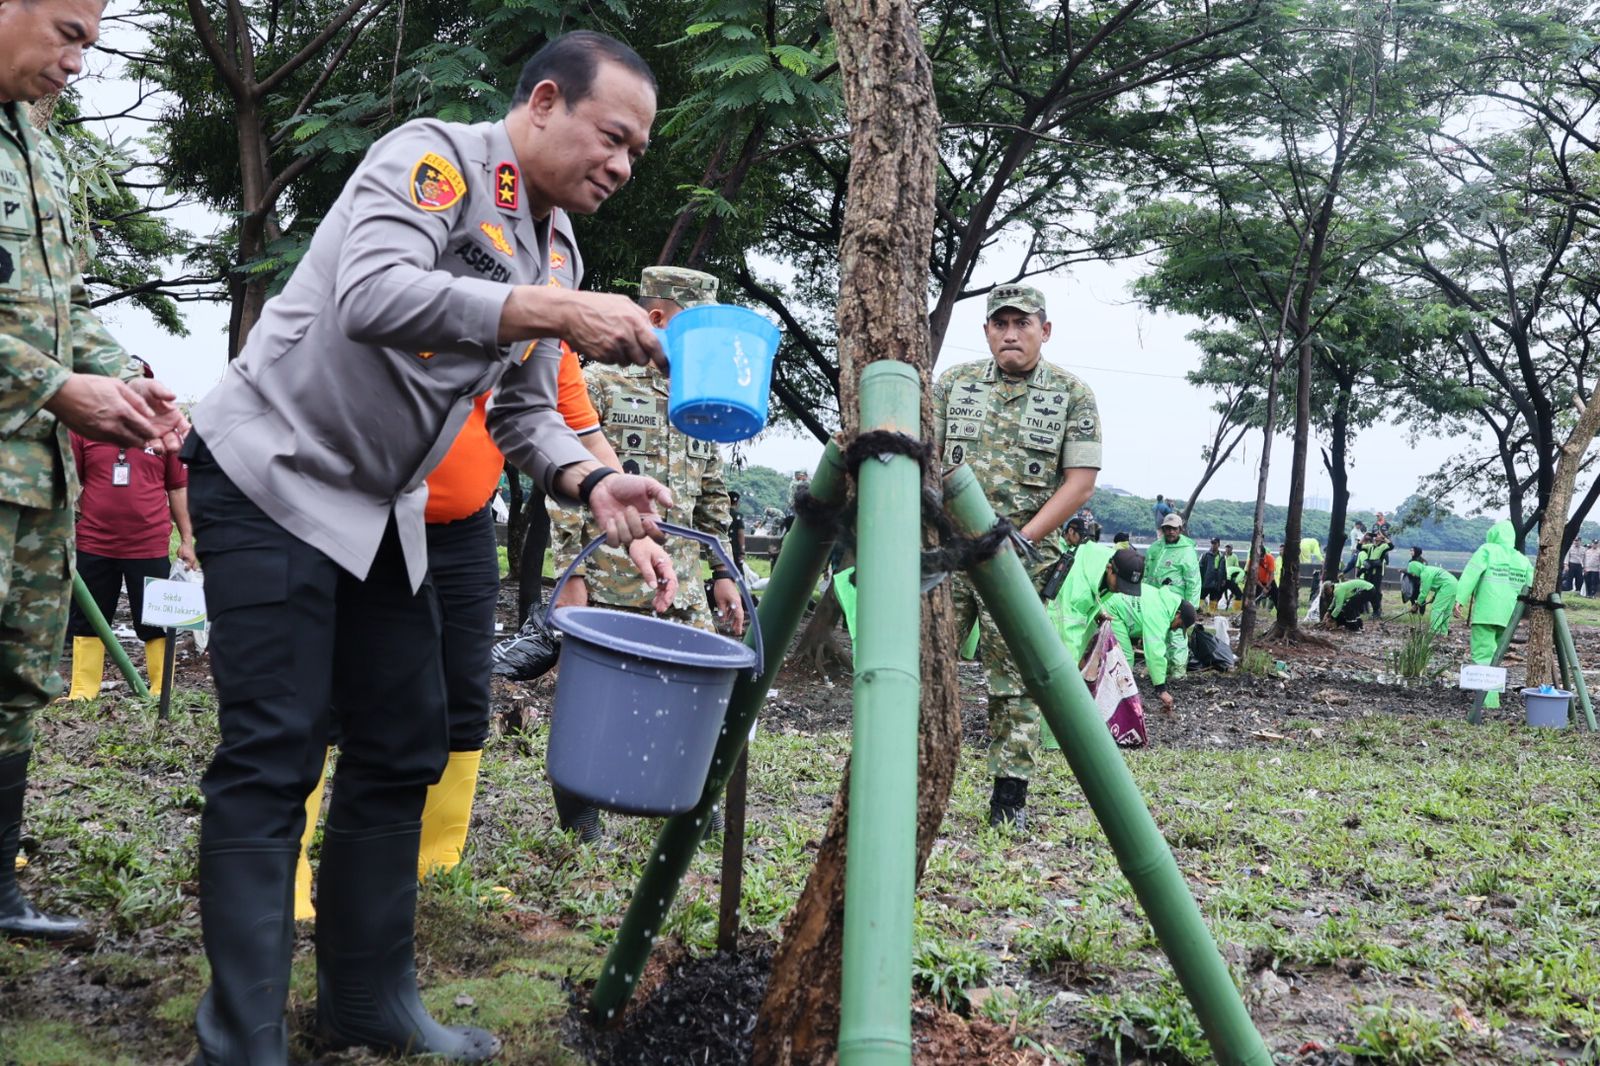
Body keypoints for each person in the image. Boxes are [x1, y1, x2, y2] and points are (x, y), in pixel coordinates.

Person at [181, 32, 684, 1064]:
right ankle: (239, 1043)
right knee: (275, 748)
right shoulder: (435, 161)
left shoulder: (557, 251)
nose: (623, 166)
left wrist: (592, 481)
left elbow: (524, 412)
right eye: (613, 138)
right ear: (544, 102)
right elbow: (372, 294)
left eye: (636, 152)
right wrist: (552, 310)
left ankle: (368, 1000)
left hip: (378, 509)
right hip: (268, 473)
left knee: (407, 739)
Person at [292, 233, 628, 921]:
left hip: (463, 528)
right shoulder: (423, 268)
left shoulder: (549, 316)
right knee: (320, 695)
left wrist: (633, 511)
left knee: (462, 691)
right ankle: (288, 865)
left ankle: (437, 862)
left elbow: (575, 423)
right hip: (359, 511)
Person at [1, 1, 189, 941]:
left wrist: (126, 379)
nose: (81, 61)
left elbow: (65, 305)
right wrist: (52, 387)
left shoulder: (40, 144)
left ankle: (0, 888)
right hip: (25, 431)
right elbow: (45, 358)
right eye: (70, 33)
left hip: (31, 481)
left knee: (13, 682)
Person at [545, 266, 745, 841]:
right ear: (657, 320)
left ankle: (684, 808)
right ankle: (580, 811)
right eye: (695, 326)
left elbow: (712, 492)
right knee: (594, 699)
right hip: (608, 572)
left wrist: (723, 574)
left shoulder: (700, 395)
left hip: (678, 576)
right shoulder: (598, 383)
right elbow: (566, 484)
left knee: (691, 695)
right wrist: (572, 574)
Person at [935, 283, 1099, 832]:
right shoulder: (952, 385)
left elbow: (1079, 483)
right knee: (925, 667)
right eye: (999, 324)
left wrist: (1019, 537)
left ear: (1044, 331)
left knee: (1014, 682)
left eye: (1022, 324)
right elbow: (923, 462)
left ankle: (1009, 802)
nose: (1010, 334)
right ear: (986, 331)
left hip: (1022, 561)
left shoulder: (1073, 394)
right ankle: (912, 778)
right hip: (949, 555)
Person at [64, 406, 195, 700]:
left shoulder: (164, 432)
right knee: (88, 615)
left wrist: (187, 539)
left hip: (148, 544)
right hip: (94, 542)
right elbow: (69, 482)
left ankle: (162, 688)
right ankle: (84, 690)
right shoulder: (85, 426)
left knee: (157, 619)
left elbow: (177, 488)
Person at [1099, 548, 1192, 712]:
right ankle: (1117, 697)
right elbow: (1155, 652)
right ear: (1178, 614)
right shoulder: (1161, 613)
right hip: (1112, 609)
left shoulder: (1163, 601)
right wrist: (1161, 689)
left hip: (1115, 607)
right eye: (1179, 624)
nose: (1176, 628)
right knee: (1125, 657)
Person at [1456, 519, 1533, 711]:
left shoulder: (1487, 550)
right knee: (1497, 656)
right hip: (1509, 616)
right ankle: (1492, 697)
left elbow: (1470, 575)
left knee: (1483, 655)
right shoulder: (1522, 559)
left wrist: (1460, 599)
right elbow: (1533, 584)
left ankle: (1488, 701)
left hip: (1486, 613)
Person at [1144, 513, 1200, 677]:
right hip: (1154, 601)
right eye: (1167, 528)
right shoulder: (1155, 548)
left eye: (1173, 529)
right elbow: (1147, 573)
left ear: (1180, 530)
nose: (1170, 532)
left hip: (1177, 604)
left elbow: (1193, 581)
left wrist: (1192, 607)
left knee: (1176, 638)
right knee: (1157, 636)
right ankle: (1160, 670)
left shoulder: (1187, 551)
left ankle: (1178, 672)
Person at [1404, 559, 1458, 635]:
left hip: (1447, 585)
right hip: (1454, 583)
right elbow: (1439, 583)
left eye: (1412, 572)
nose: (1413, 575)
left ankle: (1434, 632)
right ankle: (1443, 633)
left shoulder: (1425, 573)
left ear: (1416, 569)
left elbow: (1424, 592)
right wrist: (1434, 597)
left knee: (1437, 608)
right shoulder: (1429, 569)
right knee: (1446, 611)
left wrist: (1417, 604)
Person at [1358, 531, 1393, 616]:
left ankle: (1376, 610)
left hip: (1377, 572)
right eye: (1376, 535)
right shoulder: (1370, 546)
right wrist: (1364, 536)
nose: (1376, 536)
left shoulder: (1383, 546)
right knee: (1367, 589)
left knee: (1375, 591)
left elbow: (1391, 546)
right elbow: (1359, 547)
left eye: (1378, 535)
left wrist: (1383, 537)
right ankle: (1370, 609)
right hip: (1369, 571)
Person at [1199, 536, 1228, 612]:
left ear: (1218, 544)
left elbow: (1224, 569)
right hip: (1206, 580)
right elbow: (1200, 567)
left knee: (1214, 598)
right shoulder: (1205, 555)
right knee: (1201, 596)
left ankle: (1212, 613)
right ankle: (1199, 610)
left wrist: (1224, 579)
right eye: (1212, 543)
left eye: (1215, 543)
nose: (1213, 545)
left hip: (1216, 581)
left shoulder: (1221, 556)